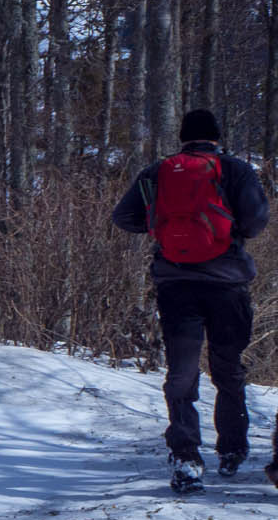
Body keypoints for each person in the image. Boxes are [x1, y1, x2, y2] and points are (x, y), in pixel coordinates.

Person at [112, 108, 270, 493]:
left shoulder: (158, 172)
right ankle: (232, 449)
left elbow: (123, 217)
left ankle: (186, 457)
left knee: (182, 373)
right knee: (227, 366)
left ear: (183, 138)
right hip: (227, 283)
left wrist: (161, 225)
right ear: (216, 138)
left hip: (175, 284)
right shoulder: (235, 170)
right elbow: (254, 223)